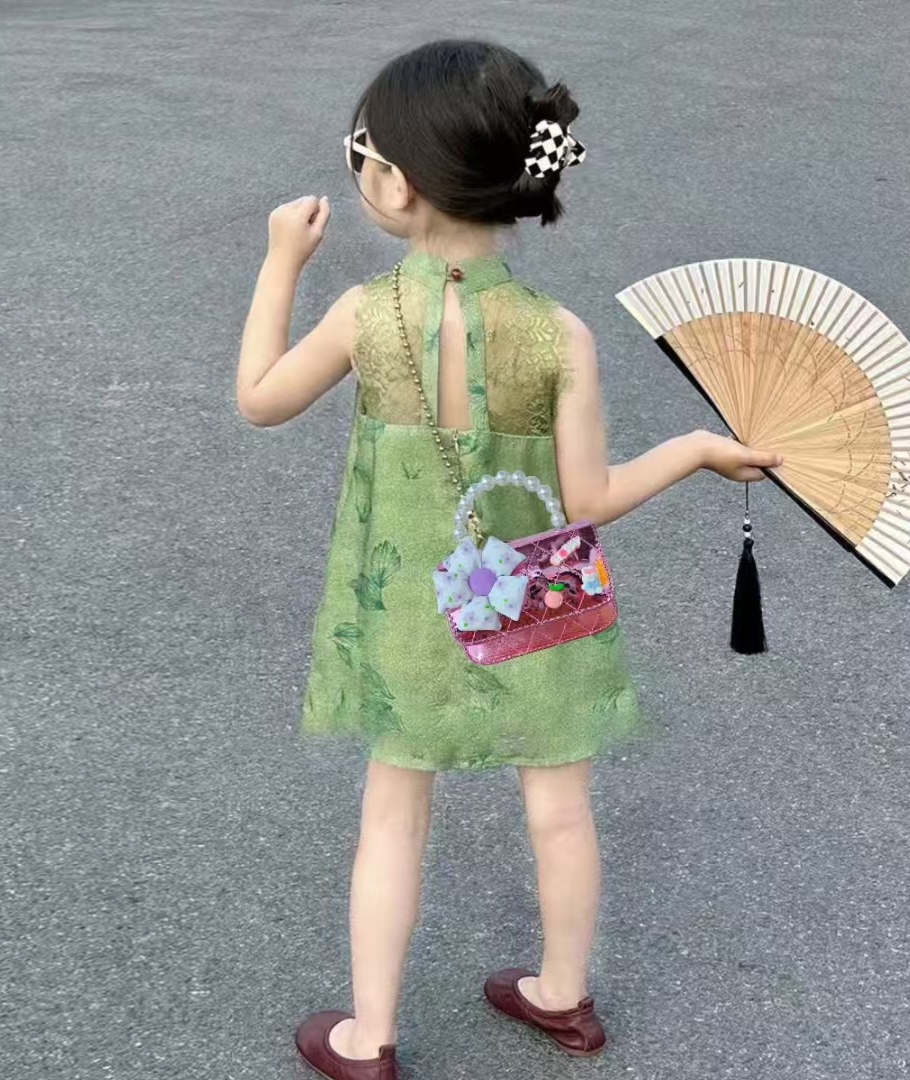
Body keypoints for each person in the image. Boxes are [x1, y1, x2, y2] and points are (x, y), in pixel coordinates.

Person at [235, 38, 781, 1080]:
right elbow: (590, 499)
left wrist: (280, 263)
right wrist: (696, 449)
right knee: (560, 808)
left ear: (395, 184)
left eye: (360, 153)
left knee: (393, 813)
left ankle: (369, 1037)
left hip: (407, 601)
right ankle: (563, 996)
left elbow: (260, 399)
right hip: (535, 588)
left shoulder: (367, 317)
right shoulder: (558, 335)